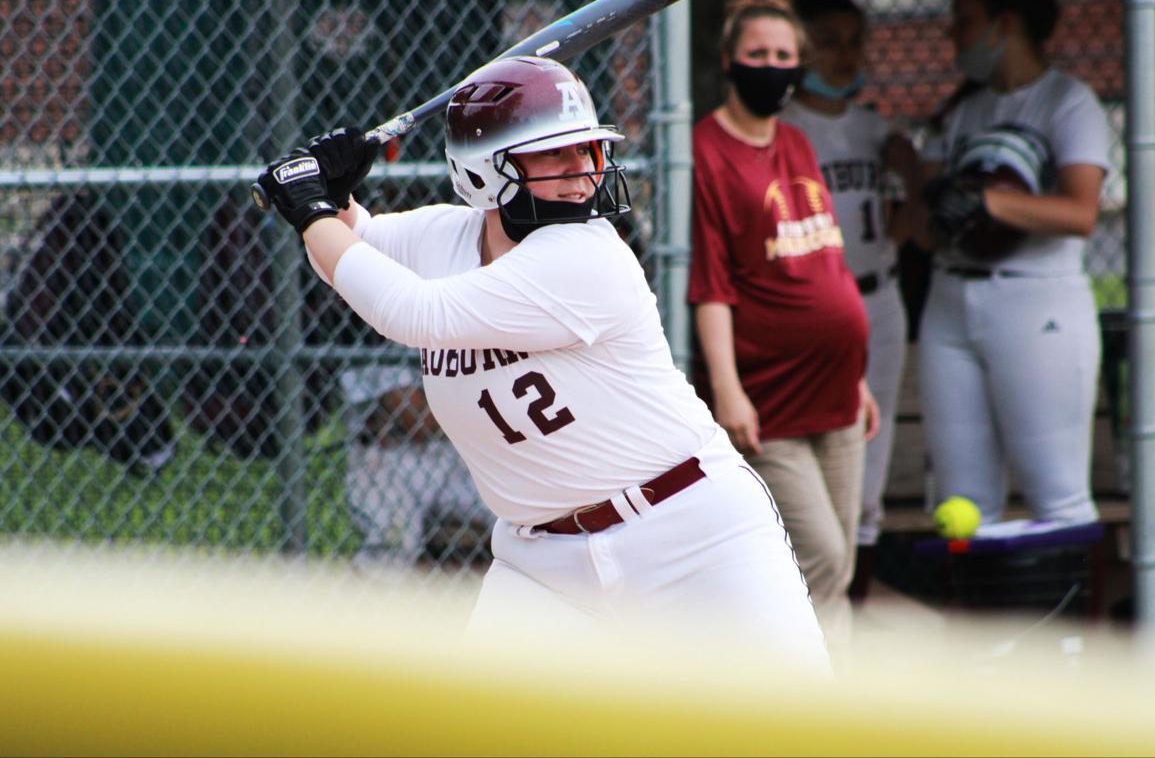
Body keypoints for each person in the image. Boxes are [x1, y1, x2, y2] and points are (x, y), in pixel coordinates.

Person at [254, 55, 829, 671]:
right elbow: (351, 253)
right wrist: (334, 198)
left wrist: (311, 208)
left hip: (689, 535)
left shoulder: (587, 256)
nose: (581, 174)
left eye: (586, 152)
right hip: (543, 566)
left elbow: (411, 310)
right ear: (483, 169)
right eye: (554, 156)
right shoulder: (447, 235)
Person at [688, 2, 878, 647]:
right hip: (771, 397)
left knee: (838, 565)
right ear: (728, 62)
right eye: (759, 56)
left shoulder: (796, 141)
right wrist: (728, 389)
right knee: (820, 561)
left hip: (839, 393)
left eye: (784, 57)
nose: (772, 68)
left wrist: (861, 379)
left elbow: (827, 254)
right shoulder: (704, 151)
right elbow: (710, 285)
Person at [917, 0, 1109, 527]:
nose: (954, 32)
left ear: (1006, 23)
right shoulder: (963, 109)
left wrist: (988, 203)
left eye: (965, 20)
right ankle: (980, 617)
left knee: (1058, 493)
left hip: (1036, 300)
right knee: (962, 503)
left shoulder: (1068, 102)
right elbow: (924, 220)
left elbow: (1081, 212)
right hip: (950, 300)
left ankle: (1072, 618)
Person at [780, 0, 924, 600]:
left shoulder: (874, 128)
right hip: (815, 304)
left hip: (878, 295)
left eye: (854, 41)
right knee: (821, 439)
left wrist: (910, 181)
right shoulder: (785, 128)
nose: (846, 55)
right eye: (830, 42)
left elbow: (906, 213)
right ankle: (815, 580)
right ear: (803, 50)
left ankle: (856, 591)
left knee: (876, 438)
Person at [340, 360, 492, 574]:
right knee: (397, 536)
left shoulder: (467, 335)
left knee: (515, 513)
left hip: (458, 455)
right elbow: (419, 420)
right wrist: (485, 410)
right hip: (387, 463)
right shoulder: (388, 340)